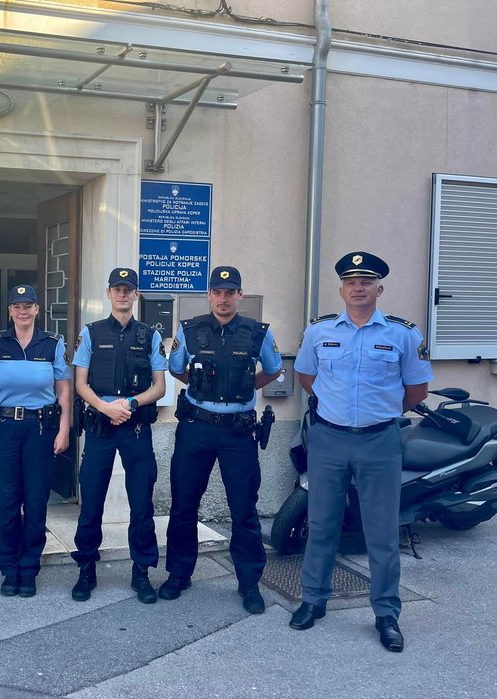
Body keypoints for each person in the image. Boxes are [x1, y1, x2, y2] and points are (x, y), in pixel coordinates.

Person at [291, 251, 433, 652]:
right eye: (351, 282)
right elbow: (306, 376)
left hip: (379, 441)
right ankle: (313, 600)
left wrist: (380, 414)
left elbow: (416, 390)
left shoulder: (403, 334)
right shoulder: (319, 332)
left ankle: (386, 613)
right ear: (341, 288)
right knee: (321, 524)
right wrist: (336, 409)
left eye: (366, 281)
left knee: (382, 532)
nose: (358, 288)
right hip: (329, 439)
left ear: (379, 288)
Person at [164, 265, 282, 613]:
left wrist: (246, 389)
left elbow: (273, 369)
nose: (223, 298)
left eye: (230, 292)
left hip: (238, 432)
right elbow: (175, 368)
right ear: (209, 295)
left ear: (240, 296)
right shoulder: (189, 330)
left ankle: (249, 582)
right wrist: (203, 390)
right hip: (197, 428)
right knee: (184, 505)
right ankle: (178, 574)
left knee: (243, 510)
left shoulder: (258, 333)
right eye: (217, 292)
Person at [69, 267, 167, 604]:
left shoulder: (150, 336)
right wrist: (105, 407)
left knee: (141, 503)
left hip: (136, 427)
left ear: (136, 295)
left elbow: (159, 386)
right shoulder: (91, 333)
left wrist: (130, 403)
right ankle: (86, 569)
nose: (123, 295)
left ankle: (141, 572)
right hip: (100, 426)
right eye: (117, 289)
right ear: (108, 294)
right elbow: (80, 384)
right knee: (92, 500)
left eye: (128, 290)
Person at [0, 285, 72, 598]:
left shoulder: (53, 343)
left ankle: (29, 570)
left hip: (40, 428)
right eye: (17, 306)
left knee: (36, 500)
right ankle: (9, 569)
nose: (23, 311)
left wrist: (65, 428)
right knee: (8, 500)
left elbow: (64, 390)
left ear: (37, 310)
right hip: (3, 427)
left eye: (29, 306)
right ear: (10, 311)